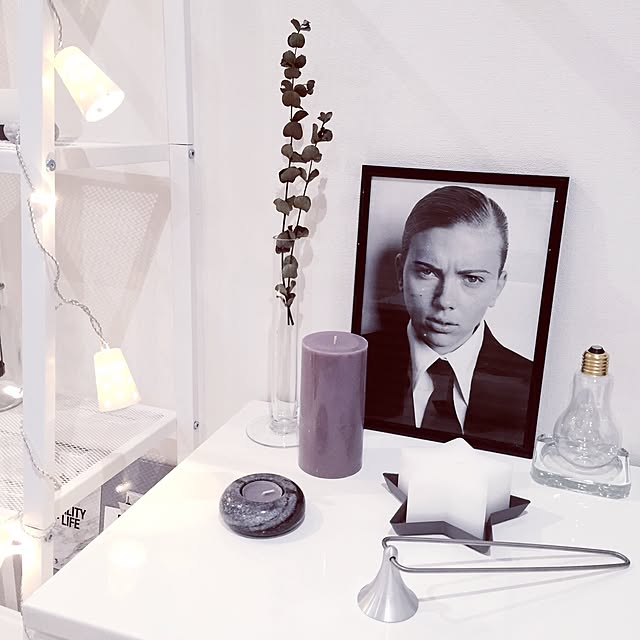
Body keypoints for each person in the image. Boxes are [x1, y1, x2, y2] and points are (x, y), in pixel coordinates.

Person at [364, 185, 532, 446]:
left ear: (498, 287)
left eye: (472, 278)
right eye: (427, 272)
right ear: (400, 273)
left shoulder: (529, 384)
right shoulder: (354, 365)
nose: (444, 301)